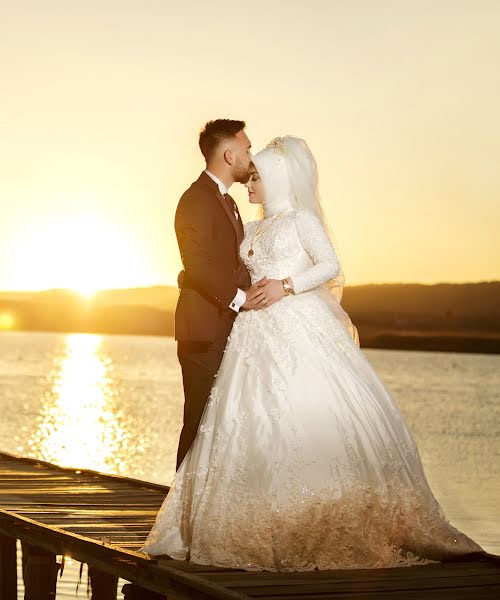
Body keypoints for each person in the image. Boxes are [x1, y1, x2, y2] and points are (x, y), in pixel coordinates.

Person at [141, 135, 485, 571]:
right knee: (247, 423)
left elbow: (329, 265)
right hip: (250, 334)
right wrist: (193, 278)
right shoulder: (251, 226)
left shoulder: (301, 220)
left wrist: (286, 286)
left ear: (279, 180)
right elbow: (218, 267)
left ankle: (314, 516)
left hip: (295, 324)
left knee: (299, 414)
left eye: (258, 177)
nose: (250, 181)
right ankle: (249, 518)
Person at [173, 119, 268, 470]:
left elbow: (230, 263)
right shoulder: (196, 199)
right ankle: (176, 516)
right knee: (198, 423)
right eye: (246, 149)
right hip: (203, 332)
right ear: (229, 155)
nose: (249, 155)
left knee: (218, 425)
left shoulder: (227, 202)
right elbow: (197, 264)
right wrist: (242, 298)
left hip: (226, 330)